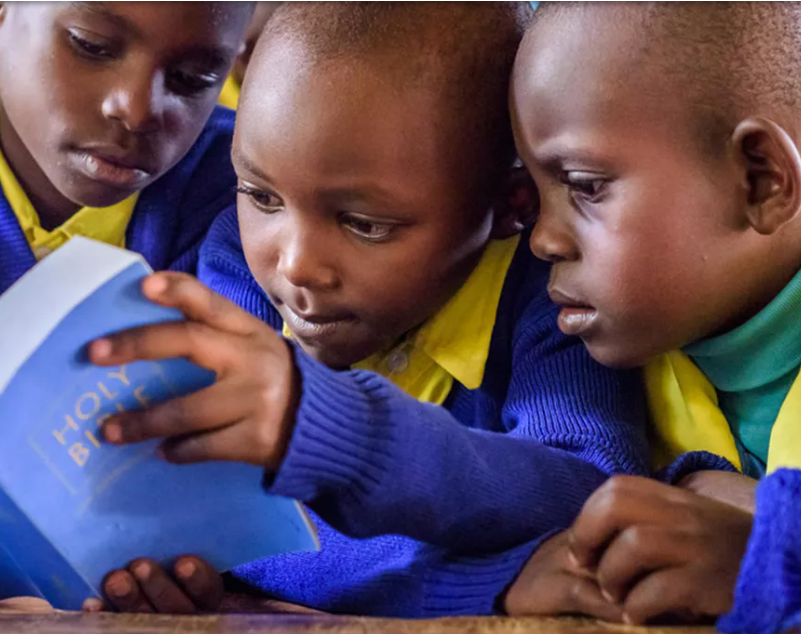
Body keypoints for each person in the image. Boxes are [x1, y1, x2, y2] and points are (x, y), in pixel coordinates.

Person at [85, 3, 653, 617]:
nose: (296, 264)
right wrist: (493, 579)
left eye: (364, 224)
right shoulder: (234, 264)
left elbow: (591, 500)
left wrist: (339, 435)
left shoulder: (554, 297)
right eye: (261, 195)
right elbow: (210, 528)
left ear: (510, 204)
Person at [0, 0, 253, 596]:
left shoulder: (247, 200)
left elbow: (244, 490)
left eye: (192, 79)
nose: (137, 108)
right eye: (92, 46)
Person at [505, 3, 801, 632]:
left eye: (585, 184)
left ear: (760, 180)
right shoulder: (625, 350)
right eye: (532, 194)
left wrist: (779, 557)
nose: (542, 240)